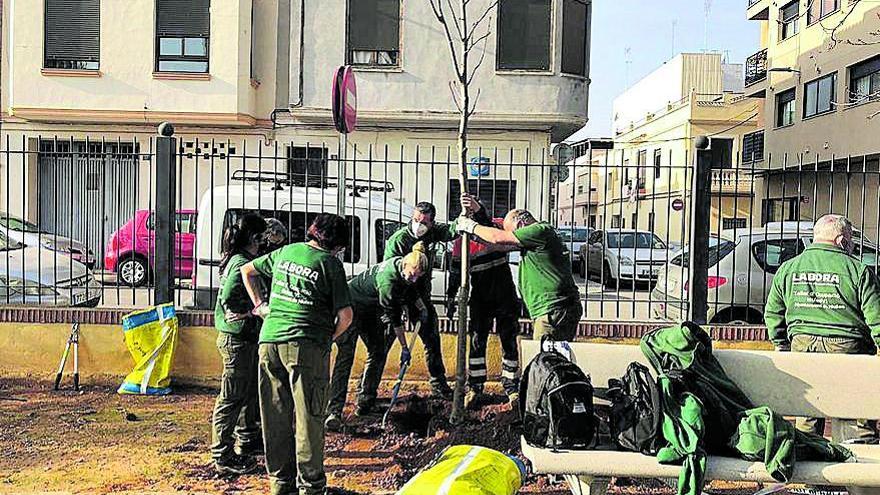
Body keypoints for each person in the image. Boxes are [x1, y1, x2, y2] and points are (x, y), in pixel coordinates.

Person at [241, 213, 353, 495]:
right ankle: (311, 486)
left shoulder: (287, 251)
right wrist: (327, 340)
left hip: (269, 342)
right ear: (337, 243)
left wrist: (261, 307)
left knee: (275, 415)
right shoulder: (330, 264)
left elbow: (247, 271)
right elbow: (346, 316)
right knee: (309, 416)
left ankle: (280, 483)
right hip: (305, 347)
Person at [765, 214, 880, 444]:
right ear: (841, 240)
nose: (852, 245)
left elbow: (773, 314)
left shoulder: (788, 269)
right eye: (850, 239)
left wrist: (782, 345)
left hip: (803, 348)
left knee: (808, 415)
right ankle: (854, 476)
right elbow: (876, 319)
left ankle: (811, 475)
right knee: (852, 418)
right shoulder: (858, 271)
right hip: (848, 351)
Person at [325, 242, 431, 430]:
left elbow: (410, 289)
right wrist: (405, 348)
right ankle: (334, 410)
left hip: (370, 310)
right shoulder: (388, 281)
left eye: (418, 277)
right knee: (345, 356)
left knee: (378, 351)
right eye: (412, 275)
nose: (414, 279)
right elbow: (394, 319)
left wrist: (421, 307)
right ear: (405, 266)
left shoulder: (405, 270)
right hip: (351, 308)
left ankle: (365, 402)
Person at [456, 207, 582, 342]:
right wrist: (475, 237)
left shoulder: (539, 231)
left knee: (547, 359)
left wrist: (471, 226)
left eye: (512, 232)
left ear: (521, 224)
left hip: (553, 310)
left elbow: (498, 238)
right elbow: (501, 246)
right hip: (556, 308)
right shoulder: (541, 236)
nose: (512, 236)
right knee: (555, 356)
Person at [382, 202, 462, 399]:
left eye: (424, 222)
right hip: (397, 297)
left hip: (421, 297)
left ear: (432, 223)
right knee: (382, 344)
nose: (419, 225)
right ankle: (366, 395)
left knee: (432, 339)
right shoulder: (398, 241)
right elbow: (390, 274)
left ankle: (438, 384)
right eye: (416, 220)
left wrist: (465, 216)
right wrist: (411, 304)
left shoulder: (433, 233)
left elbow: (452, 230)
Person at [446, 200, 521, 409]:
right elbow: (455, 272)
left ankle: (511, 386)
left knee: (509, 339)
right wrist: (451, 298)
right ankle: (475, 387)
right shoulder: (462, 241)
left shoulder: (493, 228)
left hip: (504, 294)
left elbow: (487, 223)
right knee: (478, 341)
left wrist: (479, 210)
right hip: (480, 297)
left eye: (473, 212)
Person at [211, 213, 267, 475]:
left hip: (244, 337)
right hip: (236, 338)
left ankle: (247, 439)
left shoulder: (240, 259)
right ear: (255, 238)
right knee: (232, 396)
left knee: (247, 392)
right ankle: (222, 455)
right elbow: (230, 298)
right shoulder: (241, 263)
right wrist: (252, 311)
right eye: (264, 236)